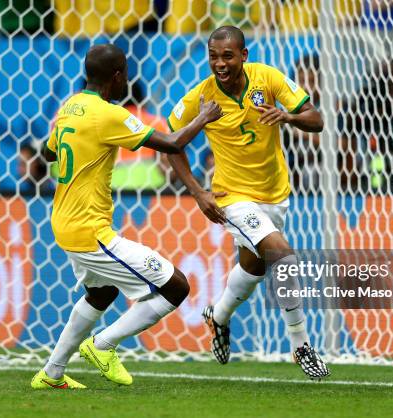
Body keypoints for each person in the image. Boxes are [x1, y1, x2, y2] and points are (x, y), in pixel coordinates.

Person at [30, 44, 222, 389]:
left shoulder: (70, 107)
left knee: (101, 294)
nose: (128, 80)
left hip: (65, 221)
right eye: (126, 73)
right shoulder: (109, 115)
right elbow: (174, 141)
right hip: (89, 232)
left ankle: (52, 373)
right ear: (117, 77)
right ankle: (103, 346)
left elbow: (47, 151)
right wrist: (203, 117)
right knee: (176, 287)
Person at [166, 26, 329, 379]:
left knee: (255, 267)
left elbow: (316, 119)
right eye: (213, 57)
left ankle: (218, 316)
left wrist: (289, 116)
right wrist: (197, 191)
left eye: (227, 56)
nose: (219, 64)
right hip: (232, 196)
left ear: (244, 55)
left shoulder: (268, 78)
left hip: (275, 193)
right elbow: (171, 141)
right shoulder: (201, 97)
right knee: (283, 255)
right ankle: (301, 344)